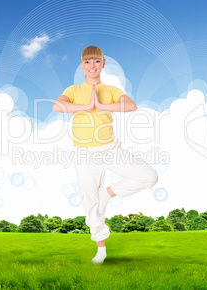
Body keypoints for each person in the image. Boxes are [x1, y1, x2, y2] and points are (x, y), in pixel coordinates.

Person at [53, 45, 158, 264]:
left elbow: (131, 105)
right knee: (90, 203)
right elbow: (58, 106)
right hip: (83, 154)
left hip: (110, 148)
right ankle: (101, 250)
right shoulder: (74, 90)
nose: (92, 66)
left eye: (96, 61)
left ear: (103, 64)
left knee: (149, 176)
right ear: (82, 65)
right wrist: (85, 107)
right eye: (87, 62)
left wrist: (100, 105)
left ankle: (107, 194)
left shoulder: (110, 89)